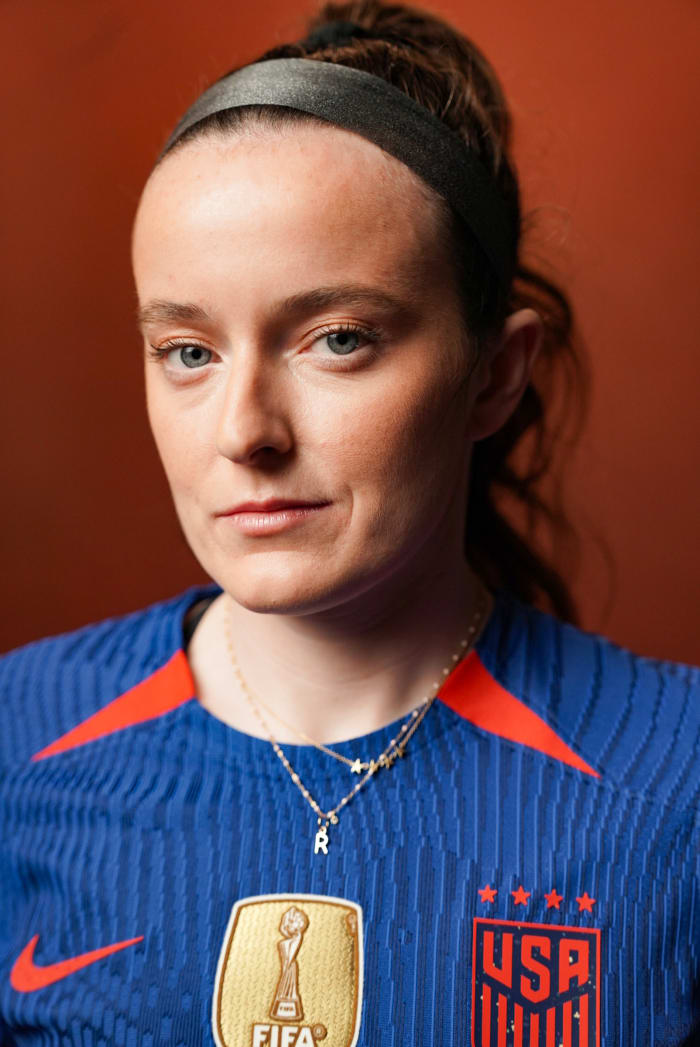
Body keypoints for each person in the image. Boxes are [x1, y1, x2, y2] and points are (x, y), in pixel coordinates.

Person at [0, 2, 697, 1044]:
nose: (243, 432)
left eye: (335, 338)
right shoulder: (20, 738)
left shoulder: (675, 781)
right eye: (187, 351)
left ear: (494, 378)